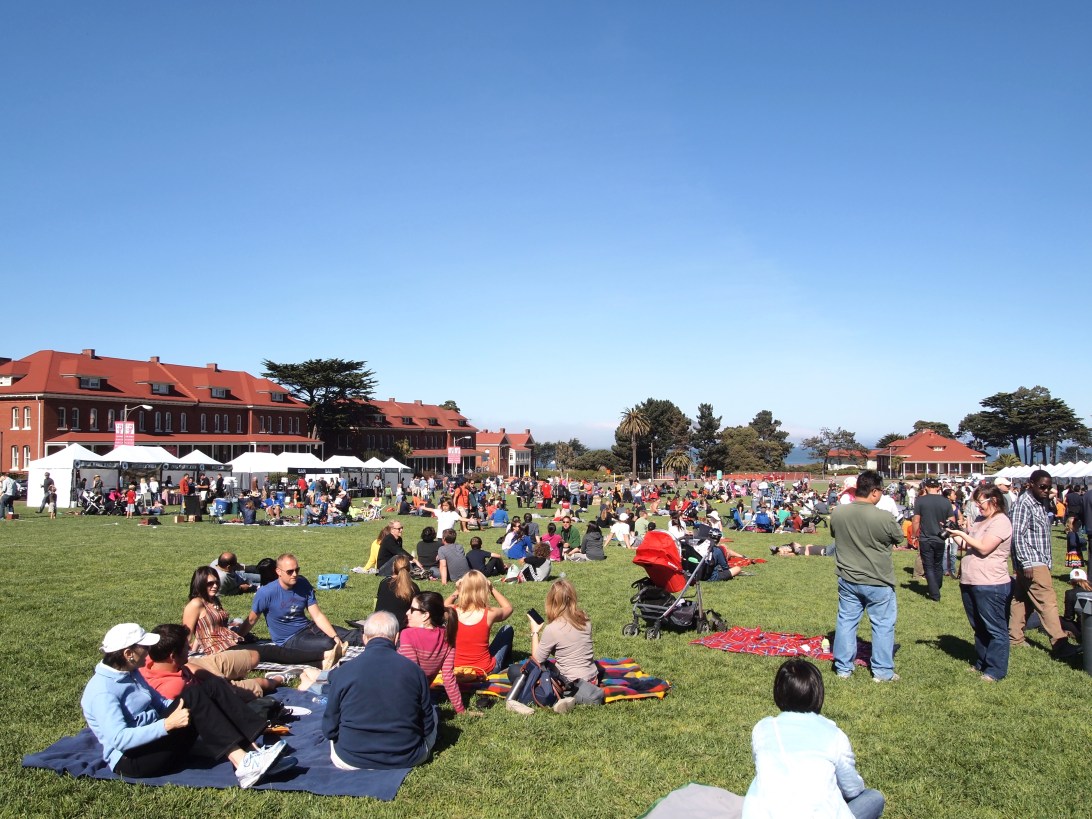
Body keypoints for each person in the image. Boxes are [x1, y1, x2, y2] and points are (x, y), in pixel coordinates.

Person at [81, 622, 296, 787]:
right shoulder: (102, 690)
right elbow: (119, 739)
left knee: (209, 688)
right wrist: (167, 725)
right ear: (128, 654)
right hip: (132, 760)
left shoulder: (130, 672)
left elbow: (160, 701)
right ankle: (243, 764)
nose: (148, 651)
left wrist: (183, 707)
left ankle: (252, 750)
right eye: (144, 647)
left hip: (154, 738)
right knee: (194, 696)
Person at [743, 659, 885, 818]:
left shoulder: (762, 729)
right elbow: (852, 789)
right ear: (818, 693)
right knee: (874, 798)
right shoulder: (834, 735)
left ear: (778, 692)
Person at [321, 612, 437, 770]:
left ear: (364, 638)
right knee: (433, 711)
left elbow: (329, 728)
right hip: (407, 756)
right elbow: (427, 724)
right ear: (396, 638)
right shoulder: (415, 671)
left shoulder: (344, 671)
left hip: (351, 758)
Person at [830, 470, 905, 682]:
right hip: (877, 579)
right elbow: (899, 537)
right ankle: (882, 671)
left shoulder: (839, 512)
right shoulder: (883, 516)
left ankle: (843, 668)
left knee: (846, 622)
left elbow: (835, 534)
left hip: (848, 577)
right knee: (882, 625)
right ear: (874, 492)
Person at [236, 554, 363, 665]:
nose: (295, 574)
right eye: (290, 571)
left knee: (350, 635)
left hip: (309, 627)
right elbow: (251, 620)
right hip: (290, 639)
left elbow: (317, 615)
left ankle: (374, 644)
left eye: (297, 570)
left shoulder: (302, 583)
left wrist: (334, 635)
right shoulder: (266, 592)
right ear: (278, 571)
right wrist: (236, 639)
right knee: (328, 644)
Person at [944, 483, 1013, 681]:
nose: (977, 506)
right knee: (979, 626)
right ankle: (982, 662)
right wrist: (954, 534)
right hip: (970, 581)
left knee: (994, 628)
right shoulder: (981, 520)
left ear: (994, 500)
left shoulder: (1001, 522)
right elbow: (968, 545)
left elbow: (984, 548)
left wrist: (963, 534)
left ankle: (995, 670)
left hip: (991, 583)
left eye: (980, 502)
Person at [1009, 470, 1079, 659]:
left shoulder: (1038, 502)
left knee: (1021, 600)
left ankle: (1015, 638)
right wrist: (1026, 562)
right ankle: (1060, 643)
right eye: (1042, 486)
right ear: (1030, 483)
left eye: (1049, 487)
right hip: (1032, 562)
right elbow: (1017, 535)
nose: (1046, 490)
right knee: (1047, 602)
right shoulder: (1024, 504)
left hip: (1035, 562)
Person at [181, 567, 281, 696]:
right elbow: (187, 634)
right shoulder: (195, 604)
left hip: (230, 642)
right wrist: (186, 655)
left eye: (217, 582)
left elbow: (203, 629)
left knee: (271, 650)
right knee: (269, 651)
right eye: (210, 583)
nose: (215, 586)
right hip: (219, 648)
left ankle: (305, 656)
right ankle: (306, 658)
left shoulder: (213, 600)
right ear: (200, 584)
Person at [519, 578, 604, 715]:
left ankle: (562, 698)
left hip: (570, 682)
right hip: (592, 679)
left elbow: (536, 661)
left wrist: (535, 632)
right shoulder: (585, 619)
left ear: (552, 601)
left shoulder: (553, 629)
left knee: (516, 672)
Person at [399, 591, 470, 715]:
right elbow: (448, 677)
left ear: (425, 615)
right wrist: (460, 710)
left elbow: (411, 675)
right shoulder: (447, 636)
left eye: (412, 609)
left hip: (400, 695)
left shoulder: (408, 635)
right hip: (422, 696)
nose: (407, 613)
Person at [447, 570, 514, 676]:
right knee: (507, 629)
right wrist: (492, 589)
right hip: (484, 670)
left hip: (456, 668)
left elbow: (442, 607)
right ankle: (507, 661)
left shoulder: (452, 612)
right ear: (484, 590)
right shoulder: (490, 613)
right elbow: (508, 608)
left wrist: (457, 591)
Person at [912, 477, 952, 602]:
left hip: (926, 537)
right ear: (939, 488)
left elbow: (916, 520)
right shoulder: (946, 501)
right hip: (940, 537)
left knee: (928, 566)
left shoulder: (920, 500)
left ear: (926, 487)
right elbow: (952, 521)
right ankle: (936, 587)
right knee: (938, 564)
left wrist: (914, 535)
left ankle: (935, 593)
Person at [375, 555, 420, 627]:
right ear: (409, 569)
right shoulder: (414, 588)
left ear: (393, 567)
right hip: (401, 626)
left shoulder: (384, 583)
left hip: (380, 625)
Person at [1062, 568, 1092, 637]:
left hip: (1085, 629)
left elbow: (1069, 617)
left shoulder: (1070, 593)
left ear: (1071, 581)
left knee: (1058, 620)